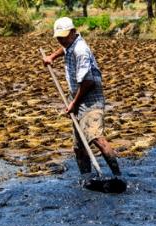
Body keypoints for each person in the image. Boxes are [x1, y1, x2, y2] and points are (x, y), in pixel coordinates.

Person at [43, 17, 122, 180]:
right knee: (79, 147)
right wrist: (51, 57)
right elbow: (63, 49)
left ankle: (118, 177)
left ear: (73, 32)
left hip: (90, 97)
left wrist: (74, 103)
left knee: (96, 138)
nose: (61, 40)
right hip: (78, 96)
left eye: (63, 37)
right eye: (58, 37)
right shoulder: (69, 44)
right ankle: (86, 178)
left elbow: (88, 83)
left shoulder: (81, 50)